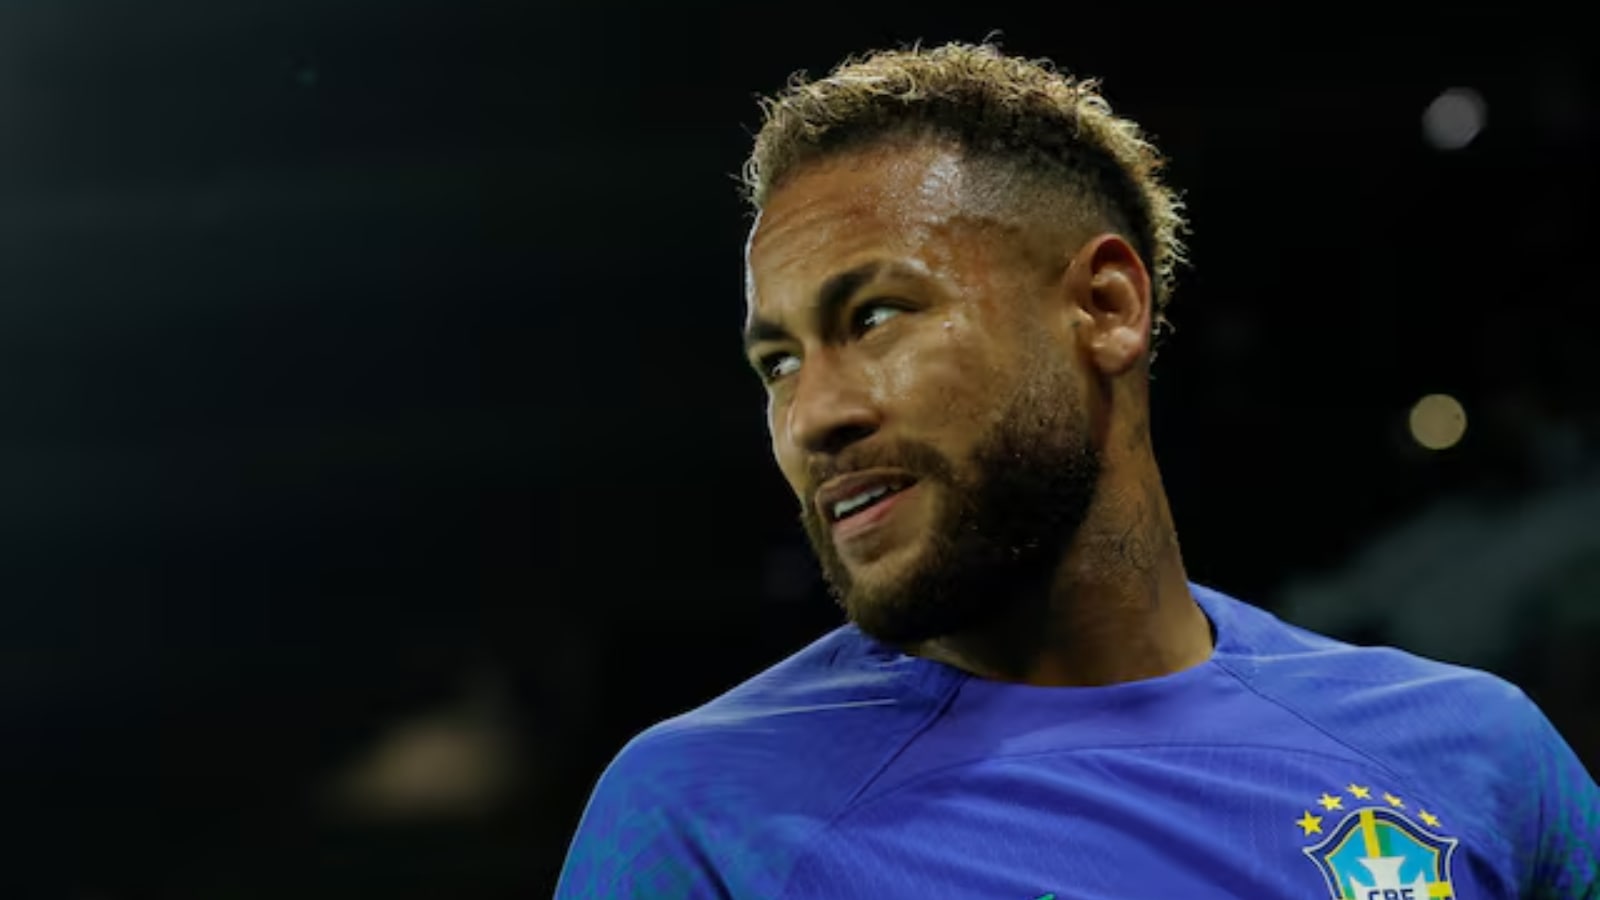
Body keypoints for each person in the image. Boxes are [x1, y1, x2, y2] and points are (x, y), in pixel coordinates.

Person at [555, 42, 1598, 898]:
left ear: (1106, 308)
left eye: (874, 317)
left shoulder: (1479, 758)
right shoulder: (699, 816)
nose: (812, 417)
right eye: (778, 363)